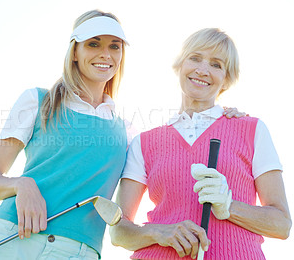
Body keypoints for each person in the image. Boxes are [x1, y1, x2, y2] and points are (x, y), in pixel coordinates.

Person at [109, 28, 291, 259]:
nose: (202, 70)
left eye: (216, 64)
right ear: (180, 65)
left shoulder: (252, 130)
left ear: (227, 78)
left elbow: (281, 224)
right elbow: (118, 231)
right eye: (195, 58)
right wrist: (160, 232)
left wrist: (229, 206)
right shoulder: (144, 142)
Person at [0, 9, 130, 259]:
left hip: (77, 251)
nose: (105, 54)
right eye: (93, 44)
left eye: (115, 46)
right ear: (75, 52)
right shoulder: (38, 101)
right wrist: (22, 184)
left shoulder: (125, 130)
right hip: (12, 237)